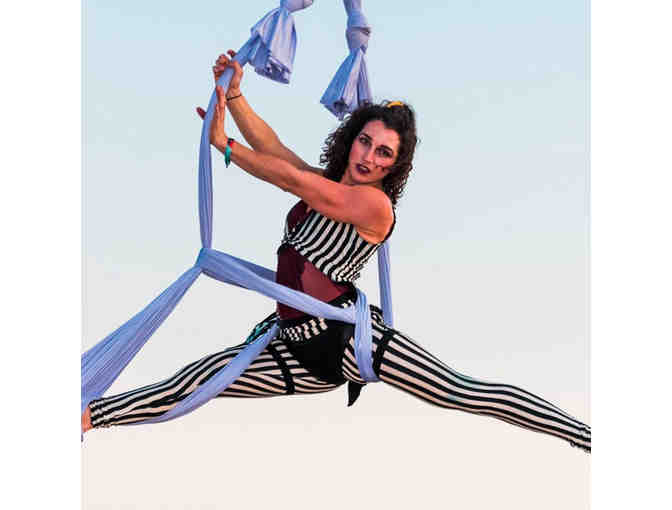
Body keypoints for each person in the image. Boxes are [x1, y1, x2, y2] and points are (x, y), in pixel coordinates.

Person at [82, 51, 591, 453]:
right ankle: (85, 416)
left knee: (465, 392)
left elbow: (289, 175)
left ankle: (587, 437)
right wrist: (236, 98)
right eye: (365, 142)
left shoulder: (373, 207)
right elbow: (279, 152)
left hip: (350, 340)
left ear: (394, 167)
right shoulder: (324, 183)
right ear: (352, 140)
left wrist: (226, 147)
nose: (369, 157)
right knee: (199, 380)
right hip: (293, 344)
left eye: (384, 153)